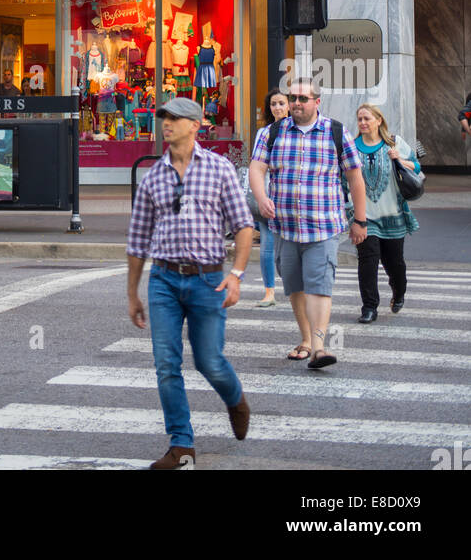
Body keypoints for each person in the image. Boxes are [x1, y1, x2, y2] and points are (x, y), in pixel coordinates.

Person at [126, 95, 254, 469]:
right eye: (163, 117)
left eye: (175, 118)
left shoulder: (219, 169)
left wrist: (236, 275)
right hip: (163, 279)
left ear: (195, 125)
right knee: (166, 364)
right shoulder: (153, 177)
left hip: (208, 279)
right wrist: (132, 292)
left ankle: (235, 398)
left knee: (209, 361)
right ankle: (181, 446)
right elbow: (138, 239)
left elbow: (244, 227)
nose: (166, 123)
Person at [249, 78, 367, 369]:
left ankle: (318, 347)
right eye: (293, 98)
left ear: (317, 102)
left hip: (323, 226)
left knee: (318, 286)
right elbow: (256, 167)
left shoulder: (336, 132)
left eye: (303, 98)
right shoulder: (271, 133)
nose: (297, 103)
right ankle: (306, 339)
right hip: (284, 227)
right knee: (296, 288)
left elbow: (354, 178)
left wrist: (360, 221)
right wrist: (261, 197)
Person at [353, 104, 420, 323]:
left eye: (367, 118)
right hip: (366, 217)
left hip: (393, 214)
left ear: (378, 120)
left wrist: (398, 159)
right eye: (360, 119)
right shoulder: (352, 147)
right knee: (367, 262)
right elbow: (345, 180)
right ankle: (369, 307)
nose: (363, 123)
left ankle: (398, 291)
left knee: (395, 263)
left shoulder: (394, 142)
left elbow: (417, 167)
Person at [252, 87, 289, 307]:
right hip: (269, 196)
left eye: (281, 103)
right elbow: (258, 167)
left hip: (292, 197)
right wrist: (261, 196)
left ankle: (296, 287)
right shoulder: (264, 132)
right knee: (266, 246)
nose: (277, 107)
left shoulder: (297, 130)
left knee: (291, 247)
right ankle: (269, 292)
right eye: (273, 104)